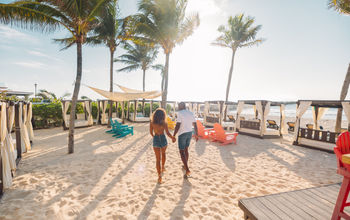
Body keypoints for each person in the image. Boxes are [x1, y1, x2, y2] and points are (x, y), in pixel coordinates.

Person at [150, 108, 176, 184]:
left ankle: (159, 176)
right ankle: (163, 167)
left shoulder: (152, 122)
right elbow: (167, 133)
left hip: (156, 139)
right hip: (163, 138)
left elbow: (151, 133)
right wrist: (173, 138)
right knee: (163, 153)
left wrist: (155, 137)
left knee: (158, 159)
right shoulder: (164, 123)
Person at [173, 102, 198, 178]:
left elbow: (178, 125)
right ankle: (185, 165)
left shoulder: (180, 113)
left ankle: (187, 169)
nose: (178, 107)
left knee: (181, 151)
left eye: (178, 106)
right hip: (189, 133)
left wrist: (174, 135)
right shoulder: (190, 113)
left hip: (182, 134)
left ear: (181, 106)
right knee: (186, 150)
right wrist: (196, 134)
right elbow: (195, 124)